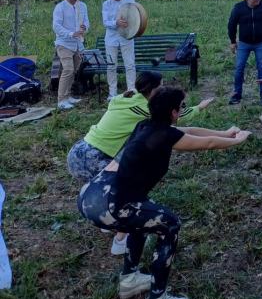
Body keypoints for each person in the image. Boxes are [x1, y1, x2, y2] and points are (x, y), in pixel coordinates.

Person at [78, 86, 251, 299]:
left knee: (142, 216)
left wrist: (226, 133)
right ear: (173, 112)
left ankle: (130, 279)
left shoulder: (144, 127)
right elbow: (207, 144)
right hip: (111, 205)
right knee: (170, 224)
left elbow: (189, 131)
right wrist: (237, 141)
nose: (181, 112)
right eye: (181, 107)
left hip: (90, 195)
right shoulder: (165, 135)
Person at [67, 70, 214, 253]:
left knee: (110, 196)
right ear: (152, 90)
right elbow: (175, 117)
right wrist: (199, 107)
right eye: (161, 85)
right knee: (127, 197)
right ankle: (120, 241)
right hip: (94, 156)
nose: (164, 87)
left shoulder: (128, 97)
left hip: (80, 150)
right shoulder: (145, 109)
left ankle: (108, 222)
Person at [227, 0, 262, 106]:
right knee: (239, 68)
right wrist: (232, 41)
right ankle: (237, 94)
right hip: (244, 43)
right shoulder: (239, 8)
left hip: (260, 43)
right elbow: (231, 25)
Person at [52, 0, 89, 110]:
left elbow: (86, 22)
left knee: (73, 70)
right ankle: (61, 100)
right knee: (67, 69)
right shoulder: (60, 7)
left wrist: (85, 27)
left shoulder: (82, 6)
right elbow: (56, 26)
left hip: (78, 43)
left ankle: (68, 96)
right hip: (64, 43)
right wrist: (71, 33)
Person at [102, 0, 136, 99]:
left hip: (126, 37)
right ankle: (112, 93)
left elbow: (136, 19)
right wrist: (116, 22)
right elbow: (105, 22)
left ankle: (131, 90)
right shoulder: (106, 4)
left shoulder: (130, 2)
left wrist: (129, 24)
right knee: (111, 66)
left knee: (130, 64)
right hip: (111, 39)